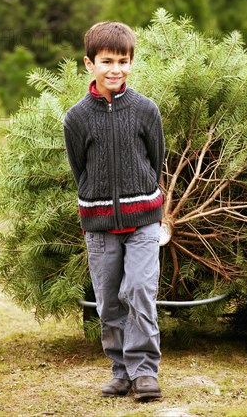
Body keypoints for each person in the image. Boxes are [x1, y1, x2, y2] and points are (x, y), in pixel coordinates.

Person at [63, 21, 165, 402]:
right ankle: (120, 371)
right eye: (107, 61)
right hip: (99, 223)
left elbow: (155, 161)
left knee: (138, 290)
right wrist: (99, 200)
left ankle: (144, 372)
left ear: (131, 63)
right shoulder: (76, 118)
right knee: (108, 299)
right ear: (89, 64)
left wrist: (143, 202)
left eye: (123, 61)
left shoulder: (145, 110)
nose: (115, 69)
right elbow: (80, 169)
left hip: (143, 220)